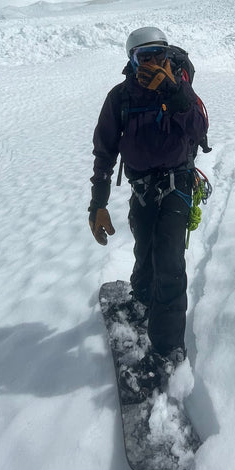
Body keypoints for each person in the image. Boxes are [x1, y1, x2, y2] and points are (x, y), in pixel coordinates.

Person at [88, 26, 209, 397]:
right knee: (144, 249)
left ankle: (167, 352)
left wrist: (174, 92)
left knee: (169, 261)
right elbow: (105, 152)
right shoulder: (121, 97)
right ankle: (141, 297)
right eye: (145, 57)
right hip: (141, 190)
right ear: (131, 61)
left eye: (159, 54)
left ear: (169, 55)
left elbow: (201, 132)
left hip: (177, 186)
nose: (154, 63)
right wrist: (98, 203)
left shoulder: (180, 92)